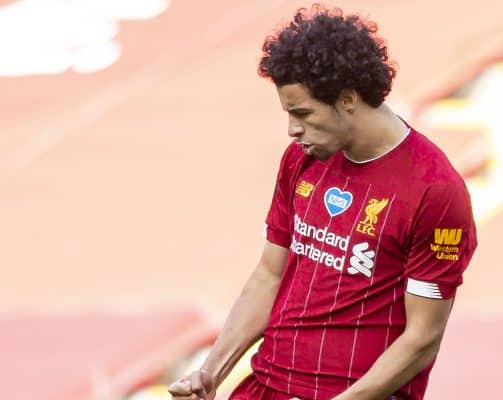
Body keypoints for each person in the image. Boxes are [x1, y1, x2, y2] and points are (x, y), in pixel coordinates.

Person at [168, 5, 477, 400]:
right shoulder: (302, 158)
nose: (292, 129)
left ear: (347, 100)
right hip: (268, 387)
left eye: (302, 113)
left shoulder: (434, 191)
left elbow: (422, 338)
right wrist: (211, 371)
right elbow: (269, 275)